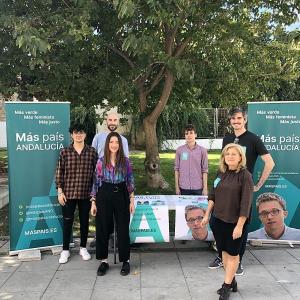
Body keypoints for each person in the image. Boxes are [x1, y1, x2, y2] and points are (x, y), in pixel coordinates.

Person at [209, 107, 275, 275]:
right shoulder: (228, 139)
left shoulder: (254, 139)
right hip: (226, 187)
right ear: (230, 121)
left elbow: (270, 163)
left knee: (241, 223)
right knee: (222, 222)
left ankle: (238, 259)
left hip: (243, 188)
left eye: (239, 118)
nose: (236, 121)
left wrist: (258, 185)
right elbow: (224, 162)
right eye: (233, 119)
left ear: (244, 119)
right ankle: (221, 255)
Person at [201, 143, 253, 300]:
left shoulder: (245, 176)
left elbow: (246, 203)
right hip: (218, 220)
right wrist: (207, 215)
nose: (230, 156)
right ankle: (232, 281)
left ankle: (225, 286)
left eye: (234, 154)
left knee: (233, 254)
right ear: (223, 157)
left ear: (240, 158)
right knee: (223, 252)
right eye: (227, 153)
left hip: (235, 222)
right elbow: (213, 195)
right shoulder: (221, 173)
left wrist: (239, 225)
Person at [90, 132, 135, 276]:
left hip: (121, 194)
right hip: (104, 194)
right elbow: (96, 183)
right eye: (111, 142)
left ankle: (125, 261)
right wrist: (93, 202)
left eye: (116, 142)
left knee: (123, 229)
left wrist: (132, 200)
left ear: (120, 145)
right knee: (103, 228)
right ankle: (104, 261)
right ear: (107, 144)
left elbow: (130, 181)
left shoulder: (125, 162)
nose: (114, 145)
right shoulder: (100, 161)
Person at [55, 123, 98, 264]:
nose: (79, 135)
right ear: (72, 135)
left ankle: (83, 247)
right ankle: (65, 250)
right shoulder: (65, 152)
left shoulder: (92, 152)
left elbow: (96, 175)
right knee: (67, 222)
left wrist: (94, 196)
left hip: (86, 194)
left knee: (85, 222)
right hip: (68, 194)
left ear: (85, 135)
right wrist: (60, 191)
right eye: (75, 132)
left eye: (81, 132)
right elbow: (59, 172)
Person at [90, 111, 129, 248]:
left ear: (118, 122)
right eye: (110, 120)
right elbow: (93, 156)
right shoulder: (98, 137)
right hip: (101, 180)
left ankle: (114, 237)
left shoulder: (123, 140)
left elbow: (126, 162)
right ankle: (100, 236)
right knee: (101, 213)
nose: (112, 122)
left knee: (118, 213)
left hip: (117, 181)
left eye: (115, 120)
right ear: (106, 121)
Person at [174, 124, 208, 196]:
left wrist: (205, 188)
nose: (189, 135)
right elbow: (176, 169)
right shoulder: (179, 150)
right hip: (183, 187)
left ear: (195, 135)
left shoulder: (203, 151)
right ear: (184, 136)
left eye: (191, 133)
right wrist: (177, 187)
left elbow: (205, 170)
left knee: (198, 207)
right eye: (186, 133)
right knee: (183, 207)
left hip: (198, 187)